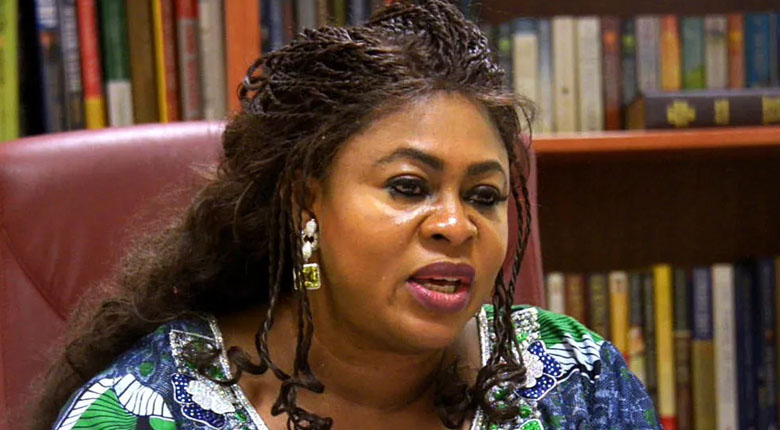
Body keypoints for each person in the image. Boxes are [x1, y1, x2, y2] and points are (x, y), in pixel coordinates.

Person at [33, 1, 661, 429]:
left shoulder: (574, 383)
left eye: (483, 196)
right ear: (304, 202)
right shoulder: (143, 412)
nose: (456, 225)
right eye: (409, 187)